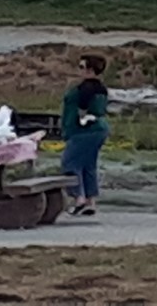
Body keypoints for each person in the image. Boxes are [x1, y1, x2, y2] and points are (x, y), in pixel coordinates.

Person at [60, 53, 110, 217]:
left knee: (70, 162)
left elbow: (83, 104)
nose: (79, 70)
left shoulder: (86, 88)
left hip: (83, 131)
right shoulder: (101, 88)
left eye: (82, 67)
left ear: (91, 70)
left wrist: (81, 116)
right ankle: (90, 200)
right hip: (99, 129)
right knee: (88, 164)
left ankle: (78, 198)